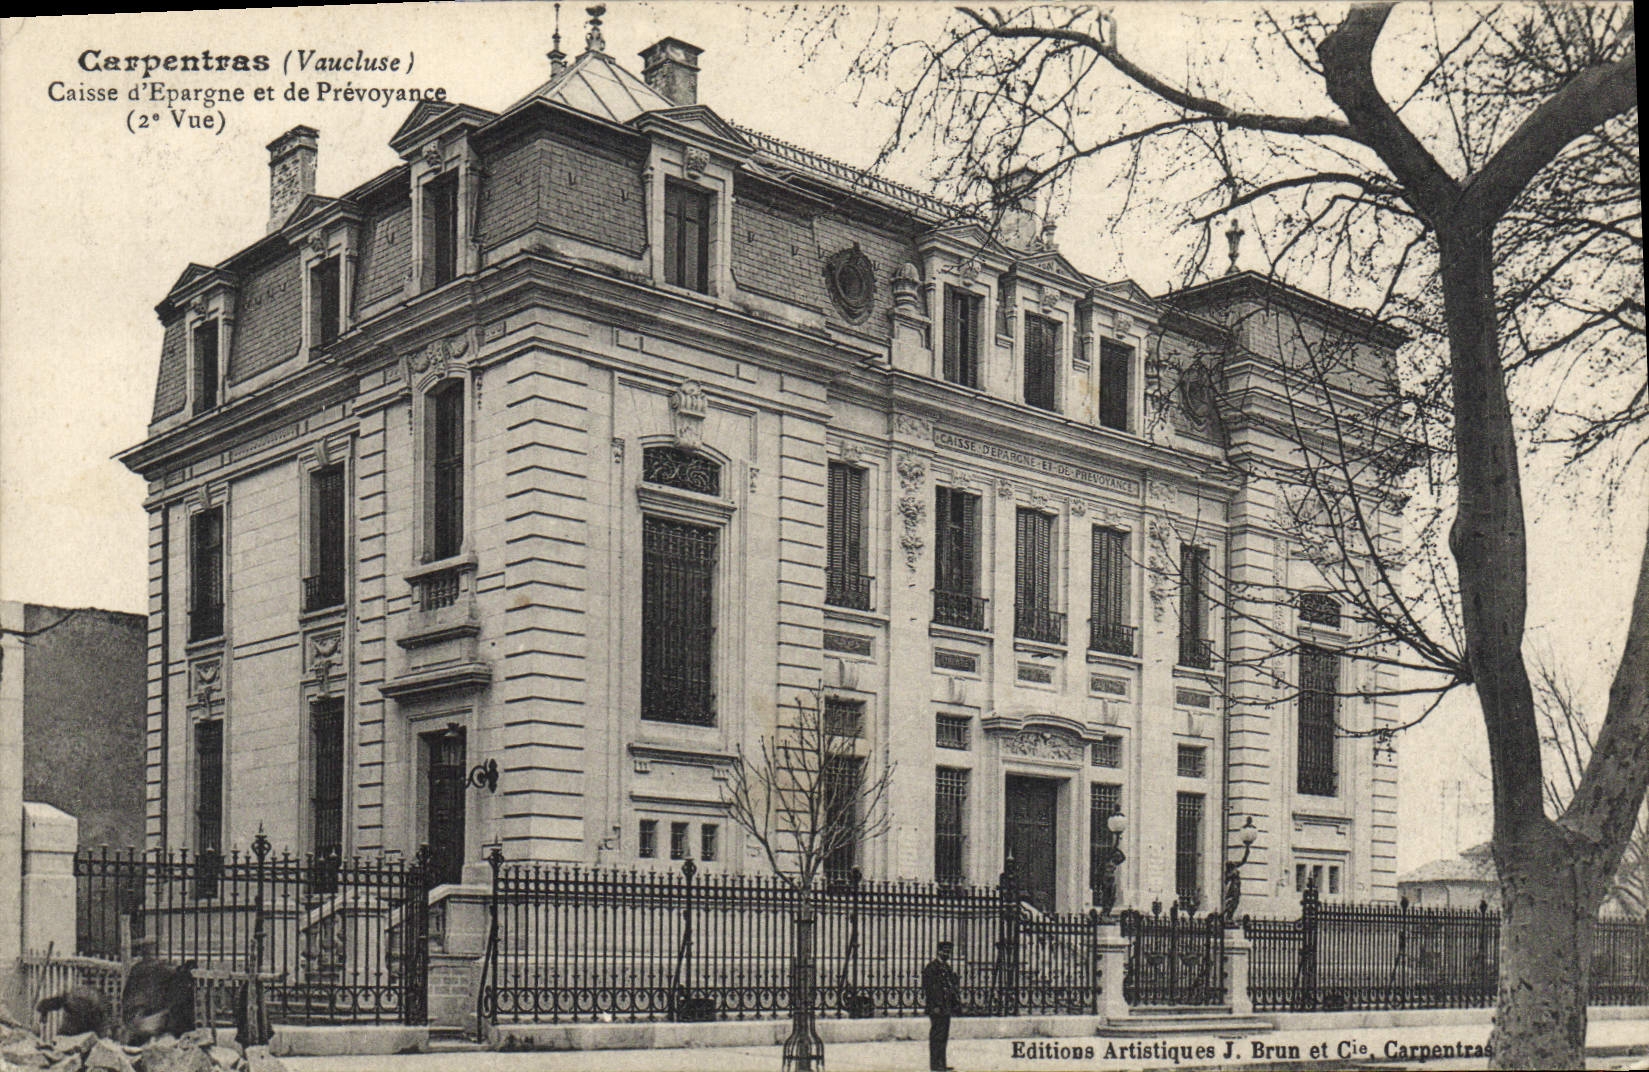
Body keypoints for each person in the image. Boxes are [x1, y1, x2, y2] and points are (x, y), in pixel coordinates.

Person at [922, 939, 961, 1071]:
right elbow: (930, 989)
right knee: (937, 1036)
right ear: (938, 951)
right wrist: (935, 1005)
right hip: (937, 1007)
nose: (947, 954)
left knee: (943, 1036)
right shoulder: (932, 968)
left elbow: (950, 987)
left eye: (949, 952)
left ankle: (942, 1064)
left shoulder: (946, 967)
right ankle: (935, 1065)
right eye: (945, 951)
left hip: (946, 1007)